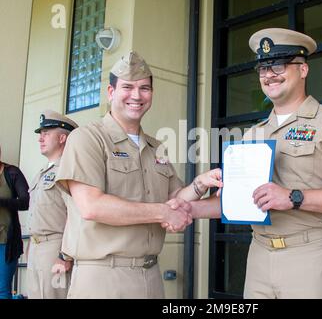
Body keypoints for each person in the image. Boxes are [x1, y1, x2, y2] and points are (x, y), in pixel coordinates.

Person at [189, 28, 322, 298]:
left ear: (303, 70)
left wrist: (293, 197)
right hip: (259, 256)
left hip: (311, 256)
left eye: (278, 65)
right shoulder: (253, 133)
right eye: (263, 67)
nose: (268, 74)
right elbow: (240, 201)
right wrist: (186, 208)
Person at [56, 51, 222, 299]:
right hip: (103, 278)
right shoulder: (88, 138)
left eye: (145, 88)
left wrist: (199, 184)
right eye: (128, 87)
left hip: (150, 275)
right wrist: (163, 212)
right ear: (111, 92)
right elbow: (92, 206)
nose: (136, 95)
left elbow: (175, 197)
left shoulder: (156, 148)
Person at [26, 110, 78, 299]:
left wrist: (65, 255)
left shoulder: (68, 170)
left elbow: (75, 216)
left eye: (46, 133)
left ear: (63, 137)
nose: (41, 138)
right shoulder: (41, 173)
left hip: (55, 248)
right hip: (36, 248)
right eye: (40, 134)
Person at [0, 145, 29, 299]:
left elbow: (25, 202)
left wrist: (2, 202)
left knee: (2, 291)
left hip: (6, 242)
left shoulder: (11, 173)